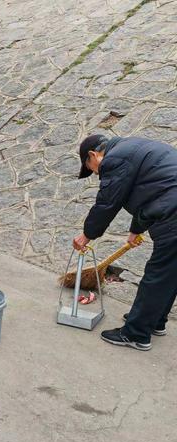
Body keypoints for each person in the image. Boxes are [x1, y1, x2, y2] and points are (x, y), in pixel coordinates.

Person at [73, 134, 177, 351]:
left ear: (94, 155)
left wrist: (86, 235)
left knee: (157, 276)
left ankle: (136, 334)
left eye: (92, 169)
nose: (96, 173)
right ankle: (154, 321)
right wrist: (135, 230)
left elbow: (107, 203)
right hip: (170, 205)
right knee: (169, 275)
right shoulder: (134, 146)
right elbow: (155, 192)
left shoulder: (114, 159)